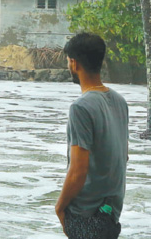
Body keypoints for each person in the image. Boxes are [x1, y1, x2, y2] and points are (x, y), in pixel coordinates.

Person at [55, 33, 128, 238]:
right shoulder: (120, 102)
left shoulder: (80, 107)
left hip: (86, 215)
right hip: (110, 213)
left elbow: (78, 170)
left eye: (68, 62)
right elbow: (123, 156)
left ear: (74, 63)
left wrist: (59, 207)